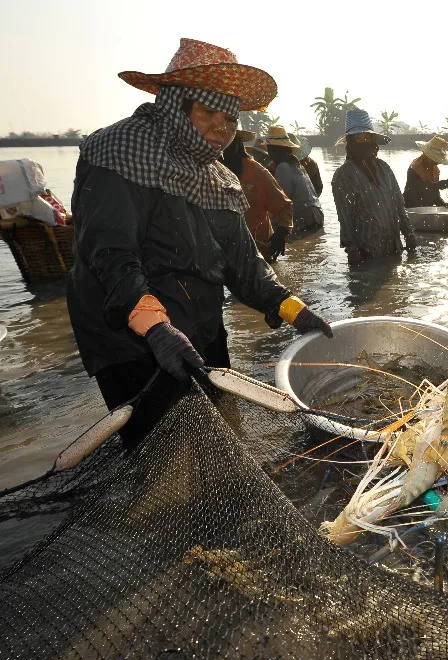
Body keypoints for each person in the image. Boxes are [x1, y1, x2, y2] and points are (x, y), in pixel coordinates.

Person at [68, 38, 333, 420]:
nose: (220, 128)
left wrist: (291, 308)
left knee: (220, 425)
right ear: (176, 104)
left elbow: (244, 264)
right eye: (208, 111)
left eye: (229, 119)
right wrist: (155, 328)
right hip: (133, 342)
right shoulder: (120, 149)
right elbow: (110, 254)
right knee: (160, 447)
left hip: (201, 329)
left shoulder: (218, 177)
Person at [331, 109, 416, 263]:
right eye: (359, 138)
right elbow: (345, 217)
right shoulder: (344, 175)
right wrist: (352, 250)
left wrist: (409, 235)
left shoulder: (384, 168)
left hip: (393, 246)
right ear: (350, 142)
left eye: (367, 138)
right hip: (366, 252)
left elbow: (399, 204)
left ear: (373, 140)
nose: (364, 142)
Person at [221, 129, 294, 261]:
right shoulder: (214, 171)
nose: (222, 149)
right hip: (229, 250)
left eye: (227, 144)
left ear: (237, 146)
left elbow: (285, 206)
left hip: (259, 248)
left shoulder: (256, 171)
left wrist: (281, 233)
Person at [265, 126, 324, 235]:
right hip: (317, 216)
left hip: (304, 219)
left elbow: (282, 202)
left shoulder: (283, 167)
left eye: (270, 149)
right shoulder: (297, 165)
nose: (269, 152)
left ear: (277, 150)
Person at [403, 135, 448, 207]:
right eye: (435, 159)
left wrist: (442, 203)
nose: (437, 162)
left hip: (427, 208)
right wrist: (437, 185)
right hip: (412, 207)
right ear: (427, 156)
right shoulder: (415, 168)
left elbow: (435, 195)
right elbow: (414, 191)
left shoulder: (435, 170)